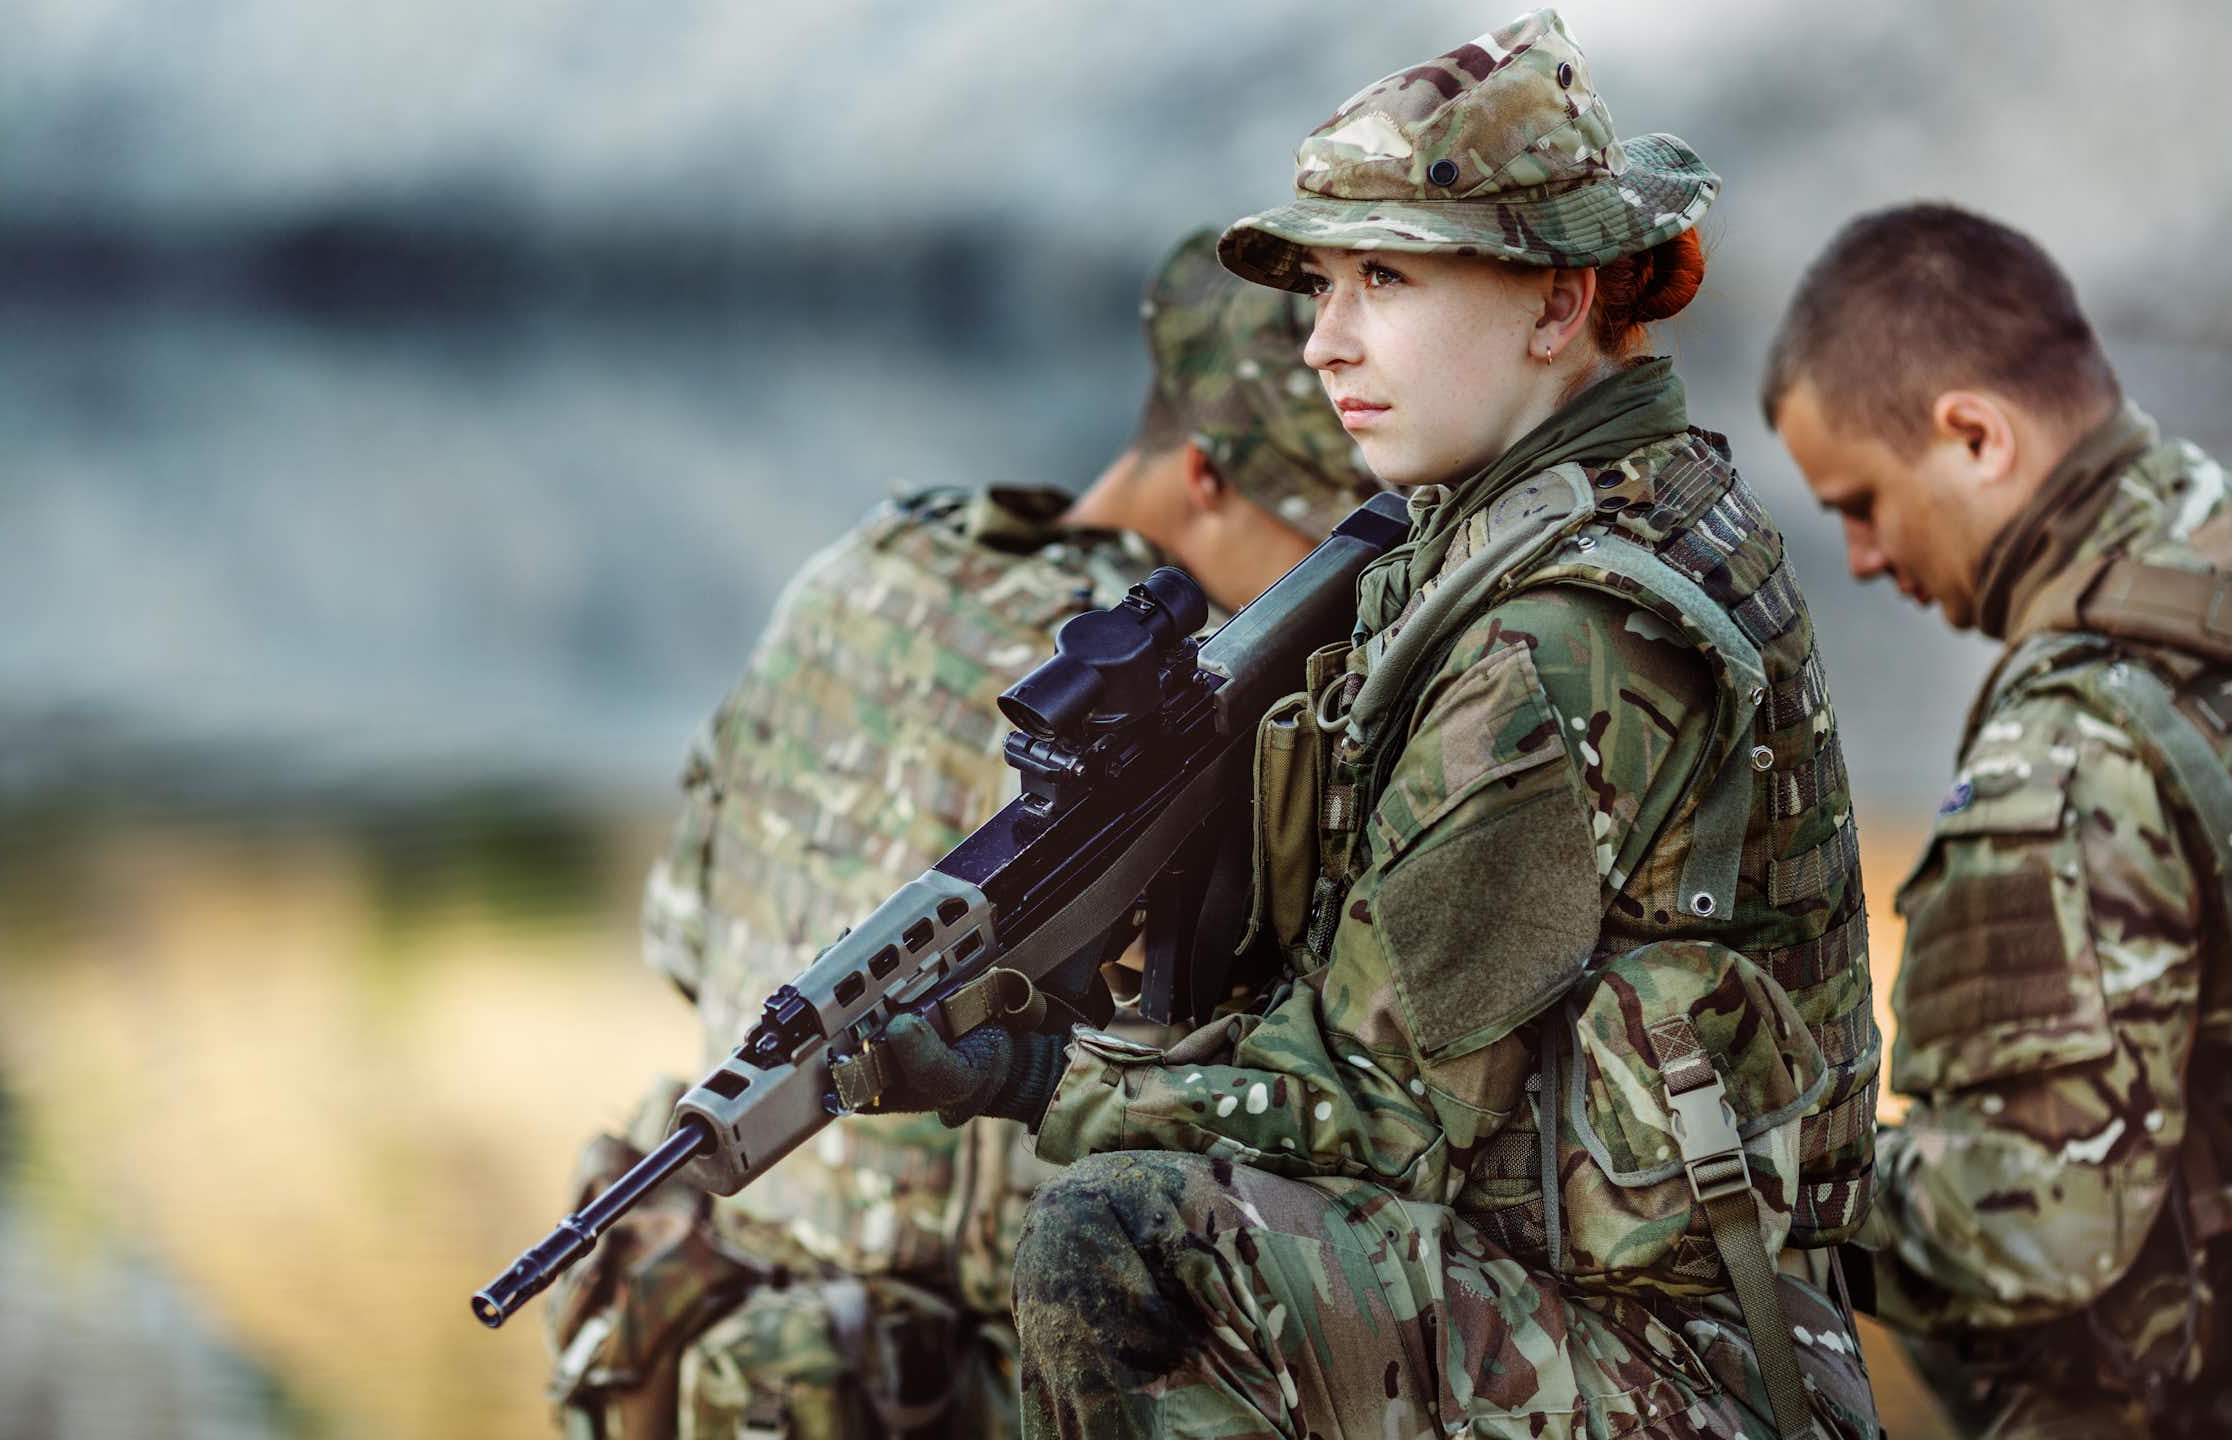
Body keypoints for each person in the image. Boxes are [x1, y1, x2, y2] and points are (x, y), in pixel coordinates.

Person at [860, 11, 1884, 1438]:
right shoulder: (1567, 512)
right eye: (1326, 285)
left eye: (1388, 280)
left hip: (1687, 1372)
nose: (1327, 341)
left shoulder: (1560, 634)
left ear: (1555, 302)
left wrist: (1041, 1073)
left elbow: (1378, 1110)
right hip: (1609, 1301)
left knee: (1118, 1242)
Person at [542, 227, 1376, 1440]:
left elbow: (679, 932)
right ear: (1204, 476)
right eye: (1319, 557)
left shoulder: (864, 569)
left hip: (709, 1327)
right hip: (943, 1382)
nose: (1328, 616)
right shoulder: (1157, 715)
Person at [1762, 202, 2232, 1438]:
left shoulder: (2074, 738)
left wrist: (1763, 1184)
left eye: (1860, 501)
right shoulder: (2207, 554)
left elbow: (2030, 1229)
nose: (1861, 556)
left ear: (1972, 434)